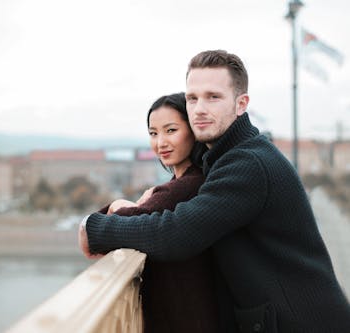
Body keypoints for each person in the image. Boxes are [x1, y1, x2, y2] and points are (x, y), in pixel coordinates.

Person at [79, 50, 350, 332]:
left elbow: (176, 232)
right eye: (192, 98)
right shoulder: (227, 157)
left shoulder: (248, 164)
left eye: (213, 97)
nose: (199, 109)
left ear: (241, 104)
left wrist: (95, 228)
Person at [97, 92, 217, 332]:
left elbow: (108, 228)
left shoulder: (189, 185)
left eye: (171, 130)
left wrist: (115, 207)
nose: (160, 142)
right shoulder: (181, 182)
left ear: (193, 130)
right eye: (153, 133)